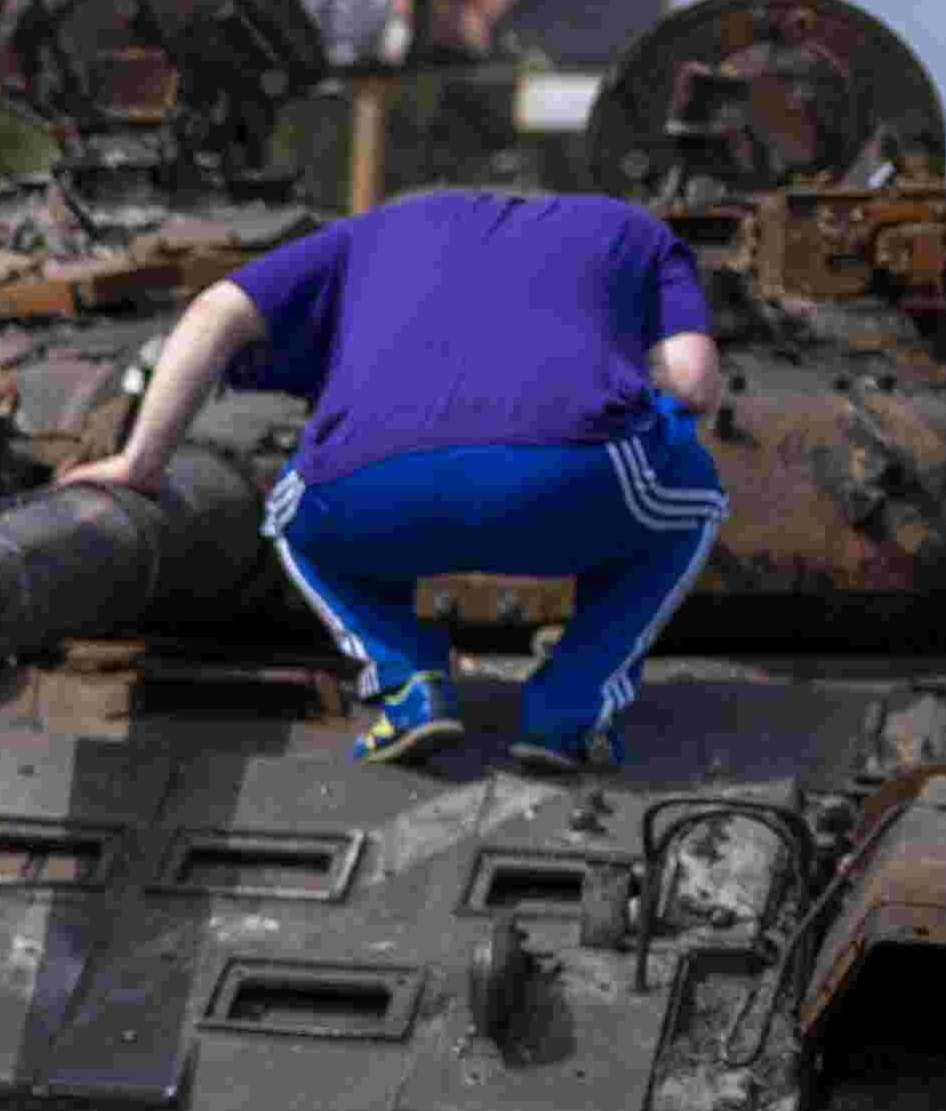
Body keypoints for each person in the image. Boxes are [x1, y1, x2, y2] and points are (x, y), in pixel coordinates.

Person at [63, 188, 727, 770]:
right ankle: (570, 713)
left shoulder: (363, 233)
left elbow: (213, 312)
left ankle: (409, 682)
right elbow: (694, 382)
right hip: (569, 484)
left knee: (293, 520)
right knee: (691, 496)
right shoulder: (637, 232)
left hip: (369, 493)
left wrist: (138, 464)